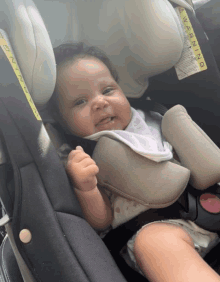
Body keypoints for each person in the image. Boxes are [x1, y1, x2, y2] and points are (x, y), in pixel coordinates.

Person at [49, 42, 220, 282]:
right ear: (62, 121)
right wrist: (86, 188)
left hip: (207, 202)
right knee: (155, 245)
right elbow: (101, 220)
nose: (99, 102)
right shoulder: (80, 156)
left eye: (107, 90)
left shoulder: (153, 115)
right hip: (155, 228)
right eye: (80, 102)